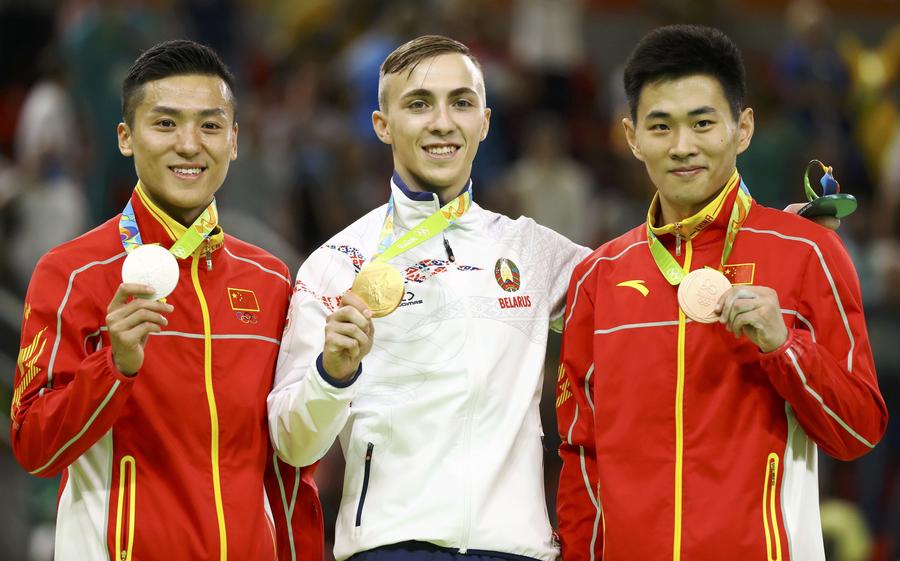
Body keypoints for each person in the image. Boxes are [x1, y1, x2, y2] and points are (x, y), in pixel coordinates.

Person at [555, 24, 887, 561]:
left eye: (703, 122)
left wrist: (786, 348)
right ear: (632, 136)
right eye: (660, 126)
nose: (683, 146)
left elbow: (860, 432)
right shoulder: (600, 276)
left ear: (744, 127)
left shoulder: (806, 253)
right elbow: (581, 455)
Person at [267, 35, 588, 561]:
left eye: (460, 102)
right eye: (419, 104)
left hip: (513, 549)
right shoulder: (338, 261)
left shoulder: (534, 252)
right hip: (390, 549)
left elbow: (634, 290)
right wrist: (333, 373)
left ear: (484, 121)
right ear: (382, 125)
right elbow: (293, 443)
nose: (442, 122)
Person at [10, 40, 322, 561]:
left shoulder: (269, 279)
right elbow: (34, 448)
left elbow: (288, 472)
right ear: (126, 138)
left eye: (209, 125)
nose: (189, 144)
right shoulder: (72, 273)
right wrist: (113, 366)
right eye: (165, 124)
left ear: (235, 140)